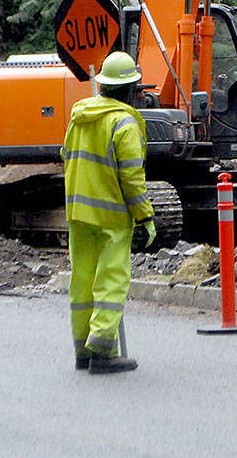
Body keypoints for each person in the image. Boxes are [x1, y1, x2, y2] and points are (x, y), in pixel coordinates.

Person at [62, 51, 156, 375]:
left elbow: (66, 155)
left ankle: (81, 351)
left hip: (77, 211)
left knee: (82, 280)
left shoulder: (79, 118)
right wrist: (145, 216)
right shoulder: (124, 122)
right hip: (112, 215)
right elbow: (132, 176)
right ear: (130, 89)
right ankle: (102, 350)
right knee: (112, 279)